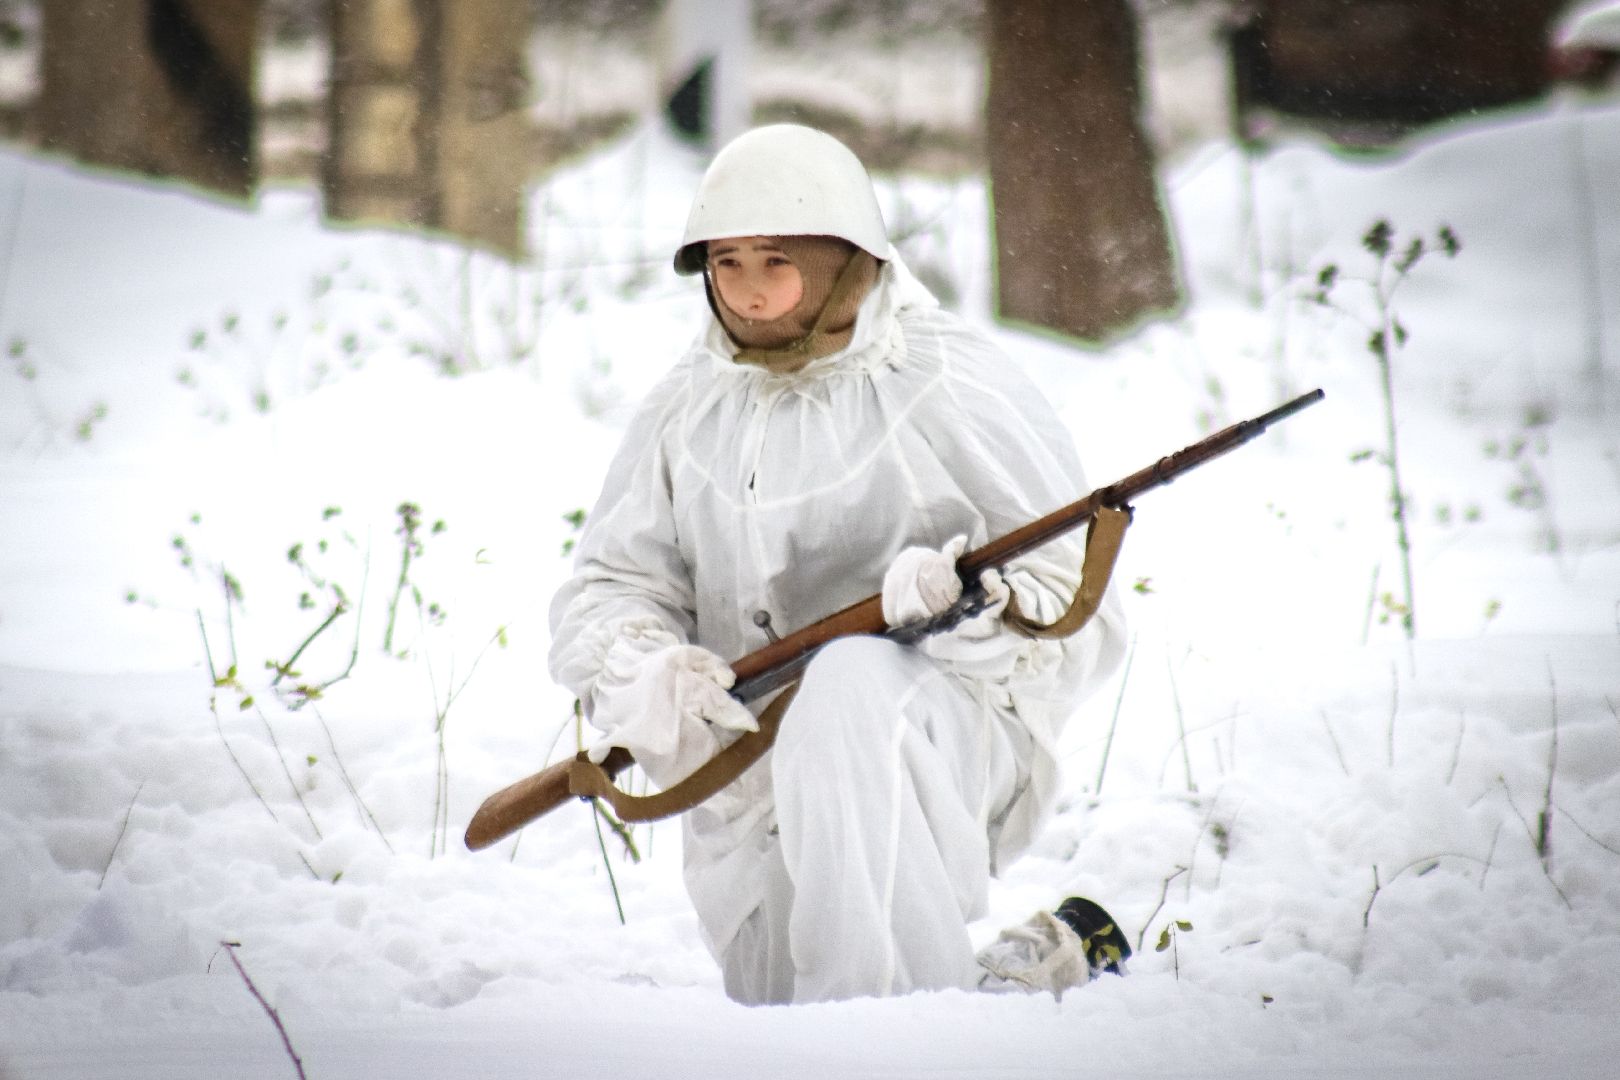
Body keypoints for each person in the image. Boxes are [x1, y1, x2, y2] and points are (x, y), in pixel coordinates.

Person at [548, 124, 1129, 1005]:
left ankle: (896, 1050)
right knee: (797, 994)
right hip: (748, 773)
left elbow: (1072, 602)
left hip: (940, 733)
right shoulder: (687, 407)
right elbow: (611, 583)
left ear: (844, 260)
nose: (746, 291)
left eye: (775, 260)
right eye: (727, 262)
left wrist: (969, 609)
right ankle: (1031, 968)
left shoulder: (945, 380)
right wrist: (647, 666)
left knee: (852, 690)